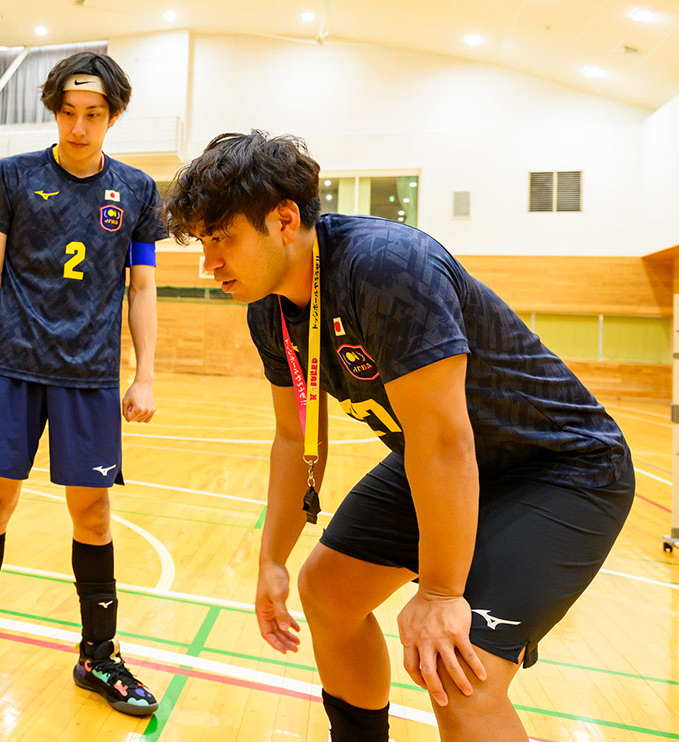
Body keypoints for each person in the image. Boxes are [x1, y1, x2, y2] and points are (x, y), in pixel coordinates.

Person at [164, 131, 634, 741]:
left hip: (560, 468)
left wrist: (440, 592)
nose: (208, 264)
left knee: (457, 671)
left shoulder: (386, 266)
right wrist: (272, 560)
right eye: (202, 243)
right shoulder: (269, 308)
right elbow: (295, 438)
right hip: (450, 456)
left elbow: (443, 442)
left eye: (221, 239)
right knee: (326, 591)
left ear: (283, 221)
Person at [0, 52, 164, 716]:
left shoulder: (138, 191)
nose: (78, 128)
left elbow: (142, 287)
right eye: (67, 113)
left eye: (93, 115)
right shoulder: (11, 177)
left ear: (113, 116)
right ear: (54, 110)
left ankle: (100, 656)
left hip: (90, 377)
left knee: (94, 515)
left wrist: (143, 373)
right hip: (14, 368)